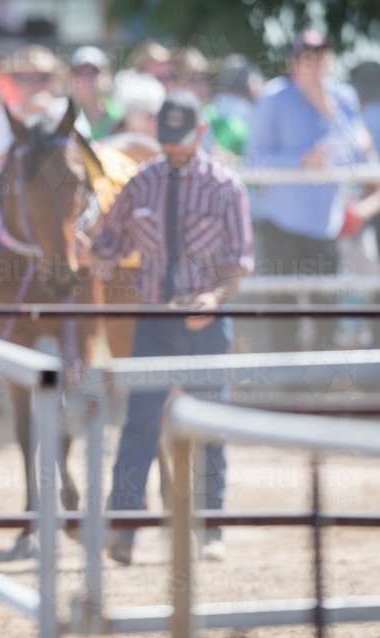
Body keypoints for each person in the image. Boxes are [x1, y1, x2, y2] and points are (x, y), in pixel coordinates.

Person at [87, 90, 253, 565]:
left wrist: (214, 298)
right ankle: (124, 531)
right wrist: (93, 252)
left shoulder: (226, 185)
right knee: (138, 423)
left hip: (206, 322)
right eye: (167, 140)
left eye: (181, 139)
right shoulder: (141, 182)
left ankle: (211, 527)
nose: (174, 148)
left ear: (201, 133)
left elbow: (239, 259)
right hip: (154, 320)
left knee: (212, 424)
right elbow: (111, 240)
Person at [245, 30, 371, 351]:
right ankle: (285, 392)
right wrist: (302, 160)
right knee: (282, 313)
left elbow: (359, 150)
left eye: (321, 57)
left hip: (325, 224)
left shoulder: (342, 97)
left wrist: (327, 109)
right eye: (307, 58)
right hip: (281, 224)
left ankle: (323, 394)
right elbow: (254, 162)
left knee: (327, 312)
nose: (315, 65)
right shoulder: (274, 98)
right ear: (293, 64)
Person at [70, 45, 123, 140]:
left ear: (108, 76)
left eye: (93, 72)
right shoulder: (62, 117)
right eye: (80, 73)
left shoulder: (123, 115)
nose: (87, 78)